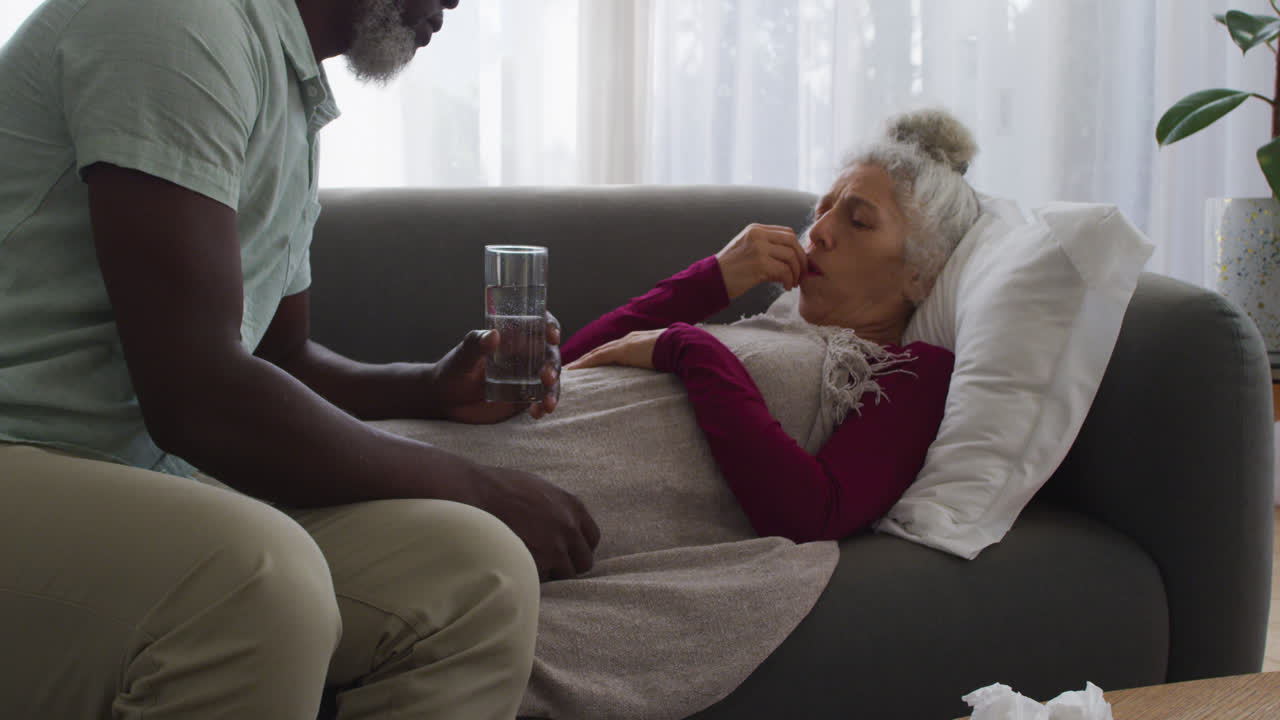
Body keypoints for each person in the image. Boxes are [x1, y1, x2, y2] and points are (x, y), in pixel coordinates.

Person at [0, 1, 599, 719]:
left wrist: (431, 387)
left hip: (139, 474)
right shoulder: (175, 20)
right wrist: (480, 488)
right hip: (22, 446)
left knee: (478, 575)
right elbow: (199, 398)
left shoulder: (285, 85)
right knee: (257, 583)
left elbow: (277, 356)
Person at [561, 107, 980, 542]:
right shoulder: (773, 327)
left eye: (858, 221)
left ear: (921, 272)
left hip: (555, 500)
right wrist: (715, 277)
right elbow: (563, 368)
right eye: (822, 210)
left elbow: (815, 516)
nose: (817, 232)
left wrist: (690, 349)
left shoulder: (910, 372)